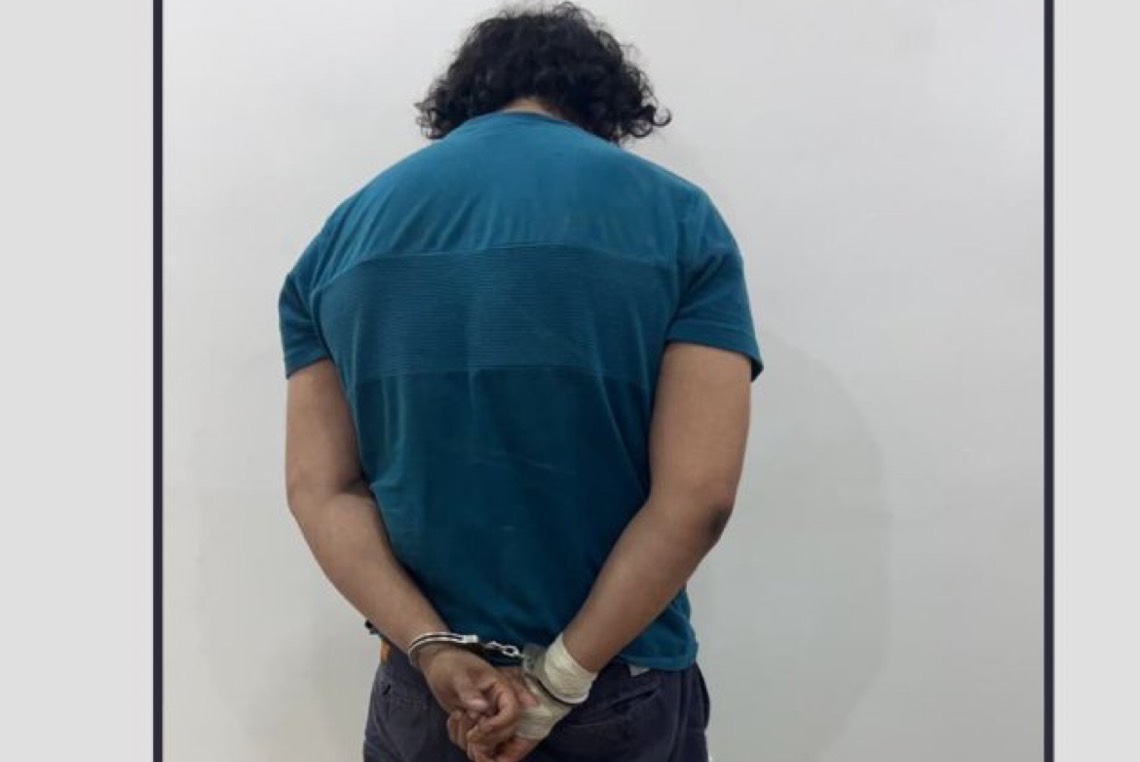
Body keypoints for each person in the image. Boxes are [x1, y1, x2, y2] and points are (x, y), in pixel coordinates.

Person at [277, 3, 763, 760]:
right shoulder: (679, 221)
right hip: (612, 689)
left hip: (429, 695)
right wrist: (557, 680)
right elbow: (699, 495)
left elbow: (322, 489)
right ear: (605, 108)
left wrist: (434, 650)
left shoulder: (338, 241)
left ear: (464, 100)